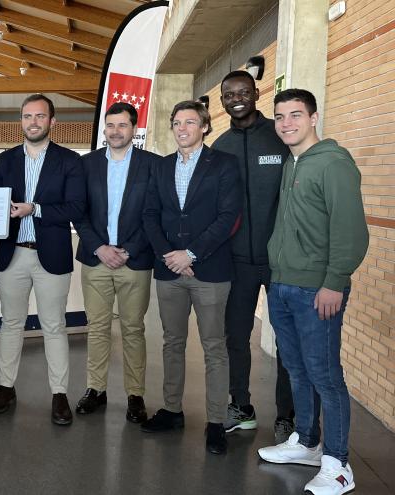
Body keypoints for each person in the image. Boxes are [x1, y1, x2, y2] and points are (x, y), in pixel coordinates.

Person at [258, 89, 368, 495]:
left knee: (325, 375)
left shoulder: (334, 163)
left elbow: (351, 232)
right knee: (297, 369)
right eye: (281, 116)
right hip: (283, 283)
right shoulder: (293, 161)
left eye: (295, 115)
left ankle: (338, 465)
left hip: (316, 289)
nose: (287, 123)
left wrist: (333, 281)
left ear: (314, 117)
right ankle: (306, 441)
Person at [141, 100, 243, 455]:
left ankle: (216, 421)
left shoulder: (224, 165)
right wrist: (171, 257)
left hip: (210, 271)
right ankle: (172, 410)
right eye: (177, 123)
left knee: (214, 346)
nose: (182, 128)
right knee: (172, 342)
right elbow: (149, 214)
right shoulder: (161, 167)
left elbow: (229, 217)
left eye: (190, 122)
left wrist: (192, 254)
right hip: (170, 271)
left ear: (204, 127)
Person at [0, 94, 85, 425]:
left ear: (52, 122)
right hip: (13, 254)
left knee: (54, 326)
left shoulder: (69, 160)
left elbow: (76, 208)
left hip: (51, 257)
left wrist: (35, 209)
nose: (33, 122)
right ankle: (5, 387)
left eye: (40, 116)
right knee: (10, 323)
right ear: (21, 121)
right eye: (28, 116)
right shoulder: (5, 159)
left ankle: (59, 395)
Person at [211, 70, 295, 441]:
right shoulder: (220, 147)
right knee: (235, 337)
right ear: (222, 101)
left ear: (256, 93)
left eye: (244, 92)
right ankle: (241, 407)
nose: (237, 98)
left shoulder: (279, 139)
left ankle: (287, 416)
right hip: (237, 263)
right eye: (229, 94)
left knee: (286, 340)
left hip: (279, 261)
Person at [73, 102, 157, 422]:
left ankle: (135, 395)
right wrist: (99, 247)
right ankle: (96, 389)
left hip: (134, 261)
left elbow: (155, 214)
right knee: (97, 328)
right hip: (96, 260)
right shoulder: (87, 164)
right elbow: (79, 213)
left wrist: (129, 250)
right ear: (104, 128)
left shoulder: (152, 165)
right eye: (110, 125)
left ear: (133, 130)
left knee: (133, 329)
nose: (115, 131)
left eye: (122, 125)